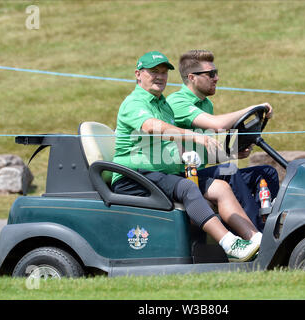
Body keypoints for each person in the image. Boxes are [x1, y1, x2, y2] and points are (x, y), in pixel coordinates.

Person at [111, 51, 262, 262]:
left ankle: (255, 240)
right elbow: (151, 127)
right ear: (138, 74)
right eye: (154, 72)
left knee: (221, 187)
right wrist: (193, 137)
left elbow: (170, 144)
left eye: (163, 72)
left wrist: (205, 155)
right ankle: (230, 244)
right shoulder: (134, 102)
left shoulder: (162, 104)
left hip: (160, 174)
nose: (160, 77)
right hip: (133, 176)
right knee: (187, 187)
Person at [166, 50, 280, 231]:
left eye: (216, 72)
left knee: (266, 172)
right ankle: (255, 235)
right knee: (230, 172)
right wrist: (254, 107)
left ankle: (269, 224)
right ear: (192, 77)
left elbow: (202, 153)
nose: (216, 78)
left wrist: (231, 153)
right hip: (181, 178)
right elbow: (218, 125)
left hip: (198, 172)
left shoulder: (205, 103)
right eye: (210, 74)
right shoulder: (177, 102)